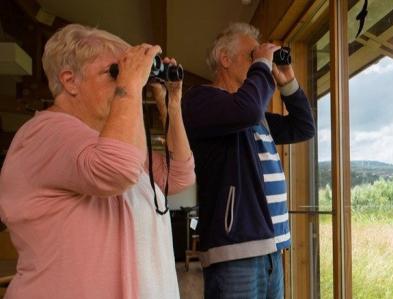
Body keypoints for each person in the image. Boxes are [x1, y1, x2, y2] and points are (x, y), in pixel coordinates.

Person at [0, 24, 195, 298]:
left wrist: (171, 102)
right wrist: (130, 84)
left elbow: (178, 177)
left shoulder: (109, 140)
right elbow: (118, 169)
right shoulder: (43, 134)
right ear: (70, 81)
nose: (127, 80)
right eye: (114, 72)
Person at [182, 22, 315, 298]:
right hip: (235, 248)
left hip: (272, 247)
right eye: (251, 56)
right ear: (225, 59)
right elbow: (247, 110)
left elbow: (303, 126)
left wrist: (288, 81)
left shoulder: (254, 114)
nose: (259, 62)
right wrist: (263, 65)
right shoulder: (201, 100)